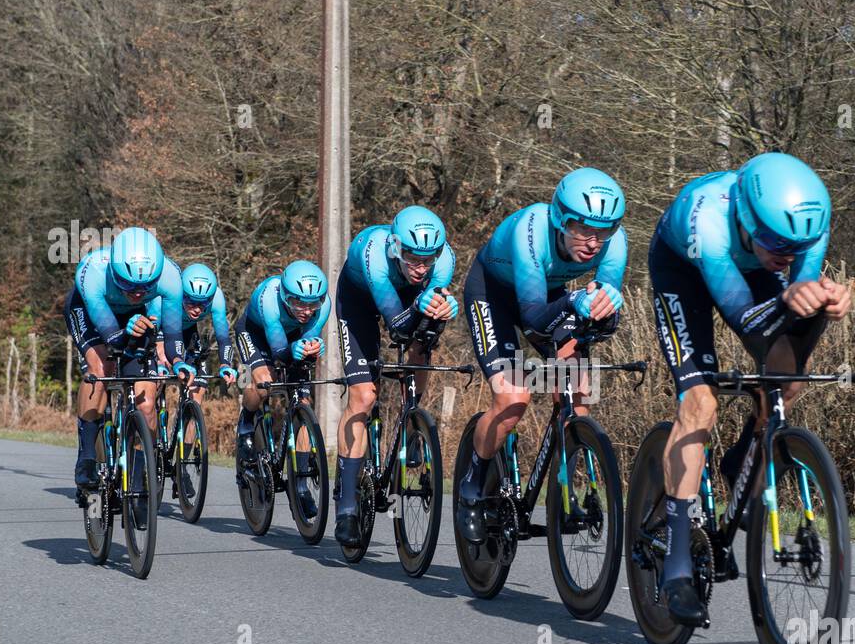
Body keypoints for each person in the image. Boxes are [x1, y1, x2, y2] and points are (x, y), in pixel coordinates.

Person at [649, 152, 852, 625]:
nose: (786, 251)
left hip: (750, 269)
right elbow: (742, 315)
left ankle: (744, 456)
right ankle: (677, 560)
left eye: (795, 245)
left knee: (787, 380)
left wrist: (825, 298)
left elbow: (793, 304)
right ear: (745, 216)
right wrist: (794, 298)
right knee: (700, 403)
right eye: (775, 240)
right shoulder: (711, 222)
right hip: (683, 271)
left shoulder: (803, 230)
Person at [455, 168, 628, 544]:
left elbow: (603, 304)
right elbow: (533, 317)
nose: (594, 241)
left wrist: (605, 307)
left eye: (604, 231)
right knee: (513, 399)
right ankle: (472, 487)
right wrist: (575, 299)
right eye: (582, 229)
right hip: (494, 296)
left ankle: (562, 493)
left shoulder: (615, 242)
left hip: (551, 295)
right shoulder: (530, 231)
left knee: (579, 390)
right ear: (560, 219)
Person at [333, 206, 458, 547]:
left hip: (407, 300)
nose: (421, 268)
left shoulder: (444, 261)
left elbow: (425, 321)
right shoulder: (376, 255)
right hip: (360, 300)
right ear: (395, 249)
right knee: (364, 396)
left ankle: (412, 421)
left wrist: (444, 310)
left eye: (428, 260)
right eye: (412, 258)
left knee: (425, 340)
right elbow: (398, 326)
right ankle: (345, 506)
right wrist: (424, 307)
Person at [64, 226, 189, 495]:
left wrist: (178, 360)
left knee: (146, 402)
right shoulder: (93, 273)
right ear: (114, 271)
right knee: (102, 367)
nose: (136, 292)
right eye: (129, 285)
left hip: (139, 318)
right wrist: (128, 333)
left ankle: (137, 480)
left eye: (145, 287)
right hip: (94, 314)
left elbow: (172, 333)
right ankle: (86, 456)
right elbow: (114, 340)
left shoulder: (169, 276)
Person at [233, 260, 331, 515]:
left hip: (292, 338)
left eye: (313, 304)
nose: (307, 310)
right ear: (285, 295)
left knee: (304, 402)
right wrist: (293, 353)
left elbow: (310, 337)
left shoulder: (324, 306)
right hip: (256, 334)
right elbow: (279, 353)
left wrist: (312, 349)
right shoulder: (268, 298)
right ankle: (246, 420)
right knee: (265, 381)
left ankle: (299, 486)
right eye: (298, 302)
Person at [150, 261, 237, 391]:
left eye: (203, 304)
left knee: (198, 388)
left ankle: (189, 409)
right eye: (191, 302)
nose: (197, 309)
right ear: (181, 294)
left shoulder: (217, 298)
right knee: (159, 370)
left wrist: (225, 364)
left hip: (188, 331)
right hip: (160, 328)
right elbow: (152, 331)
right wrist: (158, 359)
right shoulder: (168, 292)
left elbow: (223, 338)